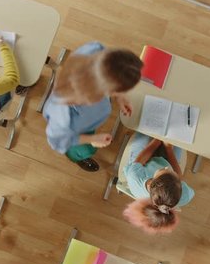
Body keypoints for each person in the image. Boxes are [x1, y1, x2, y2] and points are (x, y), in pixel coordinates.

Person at [42, 41, 143, 172]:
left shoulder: (96, 51)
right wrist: (92, 139)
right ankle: (79, 157)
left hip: (88, 116)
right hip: (75, 133)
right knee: (86, 149)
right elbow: (58, 141)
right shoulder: (63, 118)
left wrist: (120, 96)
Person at [122, 133, 195, 234]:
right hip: (164, 161)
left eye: (165, 170)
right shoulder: (183, 195)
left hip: (141, 164)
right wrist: (168, 148)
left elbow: (139, 161)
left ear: (151, 181)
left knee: (143, 132)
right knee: (179, 136)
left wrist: (158, 139)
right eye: (170, 171)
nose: (167, 167)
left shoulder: (135, 177)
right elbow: (178, 177)